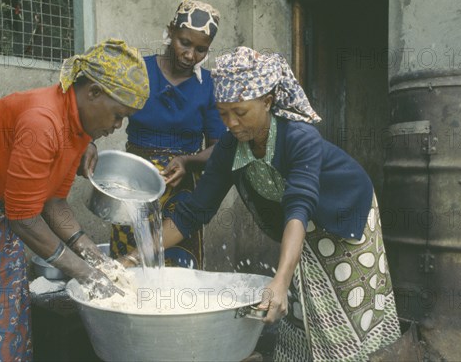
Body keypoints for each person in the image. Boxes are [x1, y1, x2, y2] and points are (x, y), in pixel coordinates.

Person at [122, 47, 401, 361]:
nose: (231, 123)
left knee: (343, 306)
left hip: (343, 213)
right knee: (300, 308)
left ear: (267, 101)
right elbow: (194, 212)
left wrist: (279, 281)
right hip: (301, 226)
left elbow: (298, 205)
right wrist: (134, 257)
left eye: (240, 112)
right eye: (223, 113)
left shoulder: (299, 137)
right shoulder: (230, 147)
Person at [0, 39, 149, 361]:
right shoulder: (43, 122)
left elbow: (52, 203)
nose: (117, 126)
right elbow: (23, 217)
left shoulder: (78, 128)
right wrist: (85, 272)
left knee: (6, 300)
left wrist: (90, 252)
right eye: (118, 115)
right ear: (92, 93)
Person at [81, 0, 225, 268]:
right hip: (134, 183)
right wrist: (87, 142)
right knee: (128, 265)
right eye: (184, 42)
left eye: (201, 49)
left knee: (178, 267)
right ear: (170, 32)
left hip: (181, 188)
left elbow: (220, 148)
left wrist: (188, 161)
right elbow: (95, 105)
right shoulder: (140, 71)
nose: (190, 55)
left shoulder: (209, 87)